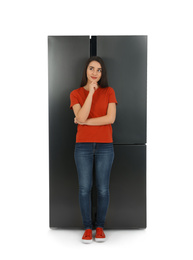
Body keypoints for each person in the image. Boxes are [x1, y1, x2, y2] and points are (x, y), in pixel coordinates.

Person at [70, 56, 118, 243]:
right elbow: (79, 114)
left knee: (103, 189)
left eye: (99, 70)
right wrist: (90, 93)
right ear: (86, 70)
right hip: (83, 146)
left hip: (105, 145)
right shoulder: (75, 93)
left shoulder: (109, 91)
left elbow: (110, 119)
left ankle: (100, 227)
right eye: (92, 68)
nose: (95, 73)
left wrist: (84, 122)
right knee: (84, 188)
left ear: (102, 73)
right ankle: (87, 227)